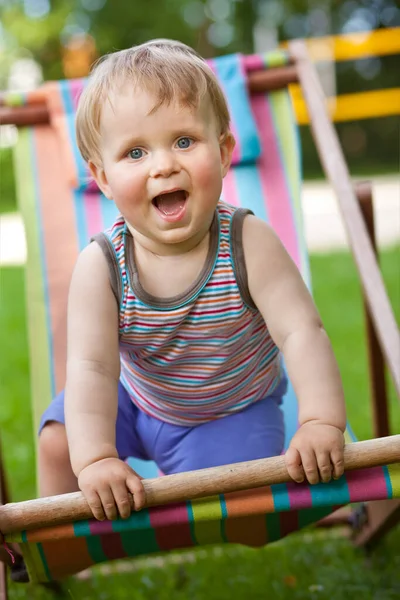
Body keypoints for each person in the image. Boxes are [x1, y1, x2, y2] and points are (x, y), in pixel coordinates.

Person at [38, 39, 346, 522]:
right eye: (135, 152)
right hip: (136, 403)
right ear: (101, 177)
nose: (164, 165)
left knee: (244, 513)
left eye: (184, 141)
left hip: (229, 414)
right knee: (58, 441)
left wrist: (320, 422)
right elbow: (92, 370)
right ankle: (57, 546)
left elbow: (302, 332)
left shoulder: (247, 242)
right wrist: (96, 458)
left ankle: (306, 511)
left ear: (224, 152)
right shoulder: (102, 265)